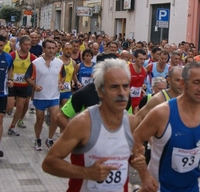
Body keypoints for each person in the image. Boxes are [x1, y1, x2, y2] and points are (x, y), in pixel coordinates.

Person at [42, 58, 155, 192]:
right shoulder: (83, 123)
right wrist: (87, 173)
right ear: (100, 92)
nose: (121, 93)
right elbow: (49, 163)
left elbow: (133, 155)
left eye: (125, 86)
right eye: (114, 87)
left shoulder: (131, 122)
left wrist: (145, 175)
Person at [132, 62, 200, 191]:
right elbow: (135, 140)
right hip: (159, 186)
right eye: (196, 82)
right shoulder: (162, 112)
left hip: (192, 186)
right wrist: (145, 176)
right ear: (183, 84)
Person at [25, 39, 66, 150]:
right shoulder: (35, 63)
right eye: (49, 48)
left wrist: (61, 84)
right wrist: (34, 86)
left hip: (54, 96)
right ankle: (38, 139)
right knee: (39, 119)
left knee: (55, 119)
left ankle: (50, 139)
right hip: (40, 96)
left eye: (53, 48)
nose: (51, 50)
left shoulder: (60, 63)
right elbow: (27, 77)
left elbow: (63, 76)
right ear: (43, 48)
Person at [7, 35, 36, 135]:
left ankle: (12, 126)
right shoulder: (12, 55)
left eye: (29, 45)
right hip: (12, 84)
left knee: (20, 107)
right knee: (10, 106)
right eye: (25, 45)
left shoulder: (32, 58)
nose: (27, 47)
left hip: (24, 85)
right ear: (20, 45)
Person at [0, 35, 14, 157]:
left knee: (0, 119)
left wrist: (10, 79)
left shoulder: (8, 57)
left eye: (1, 45)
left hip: (2, 93)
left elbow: (10, 69)